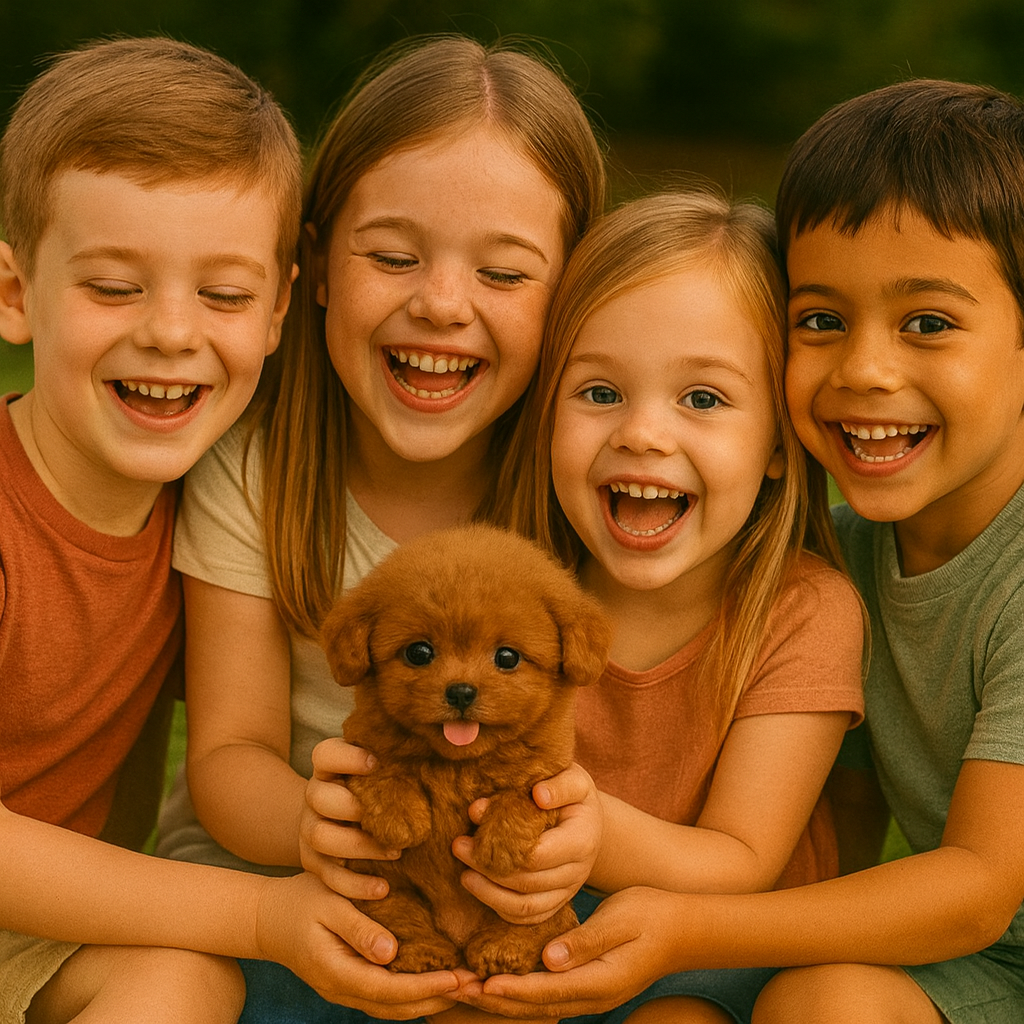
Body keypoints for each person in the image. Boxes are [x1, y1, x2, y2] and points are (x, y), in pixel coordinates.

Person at [462, 80, 1024, 1024]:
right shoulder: (846, 558)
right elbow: (840, 812)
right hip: (964, 969)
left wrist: (683, 933)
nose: (865, 370)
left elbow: (976, 886)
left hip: (972, 930)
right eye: (822, 321)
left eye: (927, 323)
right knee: (818, 1003)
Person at [154, 33, 607, 1021]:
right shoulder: (257, 471)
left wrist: (568, 837)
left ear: (571, 296)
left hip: (496, 877)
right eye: (394, 256)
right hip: (279, 875)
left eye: (504, 273)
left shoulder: (582, 486)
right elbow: (229, 754)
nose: (440, 303)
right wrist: (326, 830)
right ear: (313, 266)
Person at [0, 35, 412, 1024]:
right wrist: (263, 914)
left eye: (223, 295)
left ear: (276, 309)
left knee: (178, 979)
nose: (173, 331)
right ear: (16, 294)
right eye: (113, 286)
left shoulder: (215, 508)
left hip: (32, 937)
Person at [467, 189, 862, 1024]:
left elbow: (742, 857)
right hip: (527, 929)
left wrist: (582, 824)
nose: (643, 433)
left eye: (704, 400)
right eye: (600, 393)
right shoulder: (514, 591)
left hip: (717, 955)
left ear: (783, 448)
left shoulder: (802, 610)